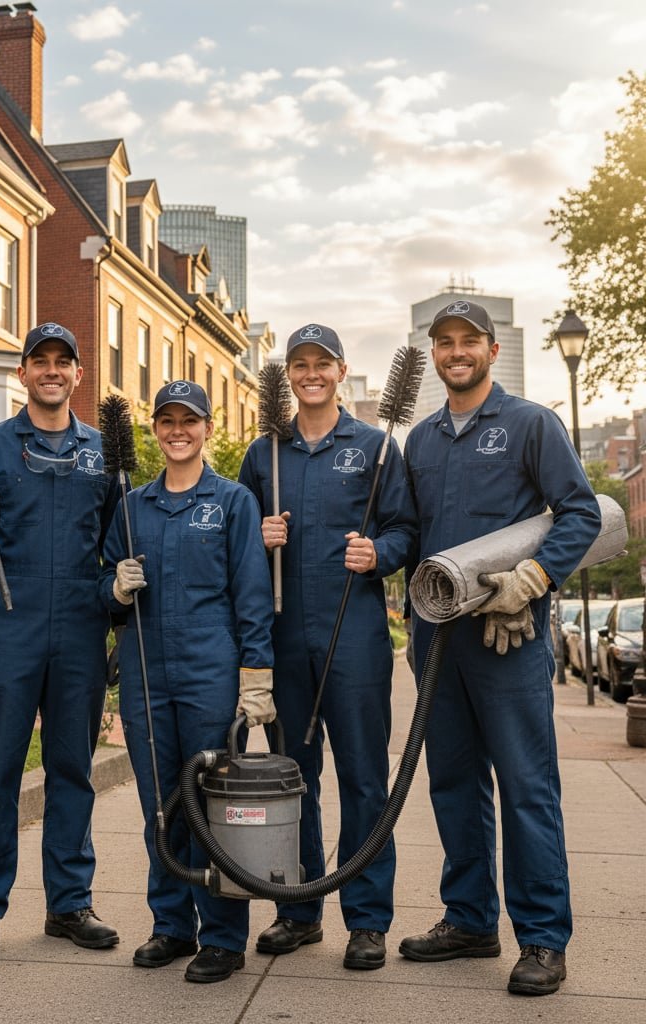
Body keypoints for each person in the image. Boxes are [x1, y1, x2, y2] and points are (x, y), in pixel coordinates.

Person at [400, 299, 600, 996]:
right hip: (437, 642)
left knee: (525, 787)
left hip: (507, 637)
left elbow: (579, 511)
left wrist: (535, 578)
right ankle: (469, 920)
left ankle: (542, 937)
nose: (456, 351)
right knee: (454, 784)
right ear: (433, 352)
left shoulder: (531, 424)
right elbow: (413, 536)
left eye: (469, 341)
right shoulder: (421, 441)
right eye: (444, 342)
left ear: (491, 349)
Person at [239, 325, 417, 971]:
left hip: (356, 639)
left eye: (322, 363)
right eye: (299, 364)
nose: (310, 373)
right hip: (285, 635)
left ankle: (367, 920)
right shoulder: (264, 453)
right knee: (293, 778)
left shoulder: (375, 447)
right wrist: (257, 534)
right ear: (288, 374)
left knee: (364, 779)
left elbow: (405, 529)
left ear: (341, 370)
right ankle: (299, 910)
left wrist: (380, 553)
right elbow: (234, 538)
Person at [0, 322, 121, 962]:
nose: (51, 370)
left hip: (79, 628)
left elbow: (120, 547)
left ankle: (69, 904)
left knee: (73, 770)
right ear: (22, 373)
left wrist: (119, 617)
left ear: (78, 374)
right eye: (39, 360)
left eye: (62, 361)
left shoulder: (103, 454)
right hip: (7, 629)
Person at [101, 380, 276, 984]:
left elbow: (252, 594)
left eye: (190, 421)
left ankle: (223, 937)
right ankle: (171, 926)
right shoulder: (132, 507)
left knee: (212, 806)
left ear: (207, 428)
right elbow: (102, 588)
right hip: (148, 676)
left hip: (209, 672)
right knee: (161, 806)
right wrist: (115, 587)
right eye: (168, 421)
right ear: (155, 429)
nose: (179, 431)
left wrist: (256, 676)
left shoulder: (232, 503)